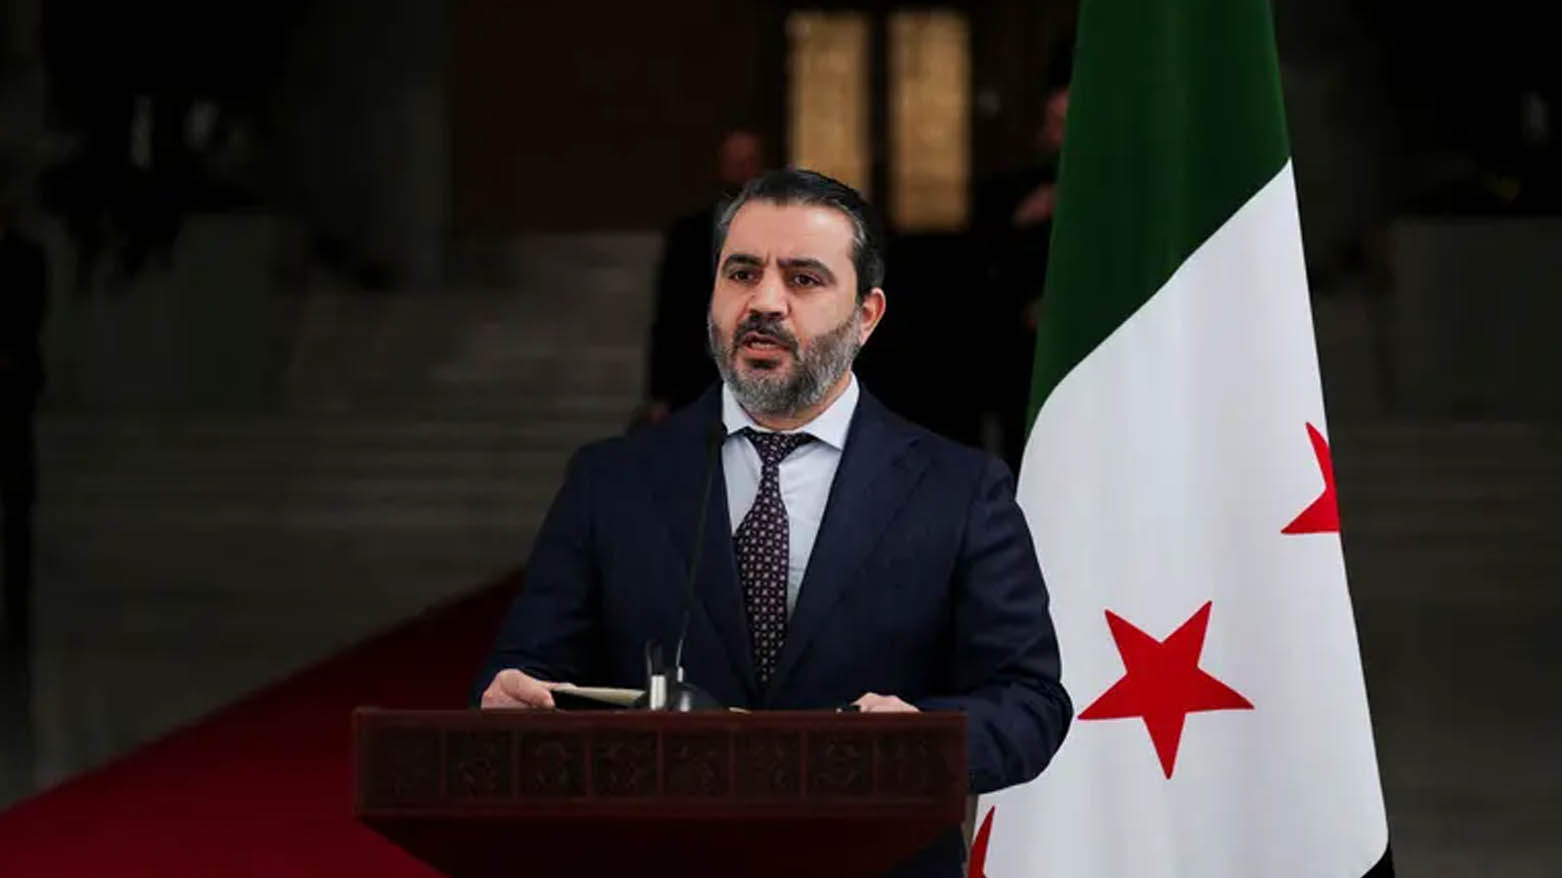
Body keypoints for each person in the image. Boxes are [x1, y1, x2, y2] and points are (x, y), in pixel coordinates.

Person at [477, 169, 1071, 876]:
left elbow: (1030, 698)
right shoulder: (612, 481)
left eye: (803, 279)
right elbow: (528, 672)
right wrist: (510, 700)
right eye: (742, 273)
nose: (764, 302)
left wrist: (930, 742)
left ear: (867, 315)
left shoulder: (960, 489)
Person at [640, 129, 766, 423]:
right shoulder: (689, 233)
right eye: (734, 161)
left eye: (748, 161)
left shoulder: (785, 229)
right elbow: (669, 313)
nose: (741, 170)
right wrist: (659, 392)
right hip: (698, 373)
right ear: (721, 166)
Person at [975, 84, 1069, 472]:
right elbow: (986, 269)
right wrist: (1022, 221)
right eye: (1052, 123)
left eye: (1065, 124)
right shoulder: (1018, 191)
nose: (1056, 135)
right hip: (1023, 359)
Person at [0, 206, 47, 649]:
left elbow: (31, 315)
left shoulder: (28, 256)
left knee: (17, 481)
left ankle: (17, 578)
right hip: (15, 373)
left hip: (13, 379)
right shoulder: (29, 256)